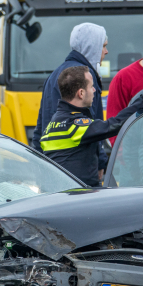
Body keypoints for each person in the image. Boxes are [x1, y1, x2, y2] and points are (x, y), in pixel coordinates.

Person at [40, 65, 143, 186]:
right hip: (76, 198)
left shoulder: (54, 123)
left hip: (64, 195)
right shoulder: (74, 126)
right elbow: (114, 124)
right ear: (81, 93)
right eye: (91, 86)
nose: (94, 90)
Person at [33, 23, 109, 181]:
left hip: (53, 168)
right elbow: (94, 127)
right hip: (79, 169)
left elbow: (40, 130)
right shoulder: (85, 77)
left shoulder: (55, 75)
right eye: (103, 46)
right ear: (91, 46)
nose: (106, 52)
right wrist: (101, 162)